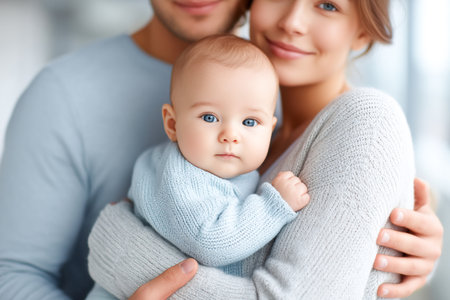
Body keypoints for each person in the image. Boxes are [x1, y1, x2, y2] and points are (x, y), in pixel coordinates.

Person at [0, 0, 442, 299]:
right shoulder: (63, 93)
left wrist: (118, 247)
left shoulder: (337, 113)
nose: (293, 21)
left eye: (327, 3)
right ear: (172, 119)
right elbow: (11, 275)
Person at [87, 34, 310, 299]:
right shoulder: (180, 175)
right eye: (209, 117)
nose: (230, 135)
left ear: (269, 130)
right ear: (172, 124)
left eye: (250, 122)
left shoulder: (214, 166)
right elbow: (210, 243)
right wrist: (274, 206)